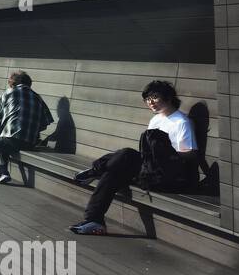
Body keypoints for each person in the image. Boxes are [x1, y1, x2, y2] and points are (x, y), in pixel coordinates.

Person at [69, 80, 200, 235]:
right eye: (147, 99)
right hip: (150, 169)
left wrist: (165, 153)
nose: (150, 102)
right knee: (113, 172)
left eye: (155, 97)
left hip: (169, 174)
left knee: (126, 155)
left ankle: (95, 171)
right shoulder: (156, 120)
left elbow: (192, 155)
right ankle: (94, 220)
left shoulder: (181, 122)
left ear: (168, 97)